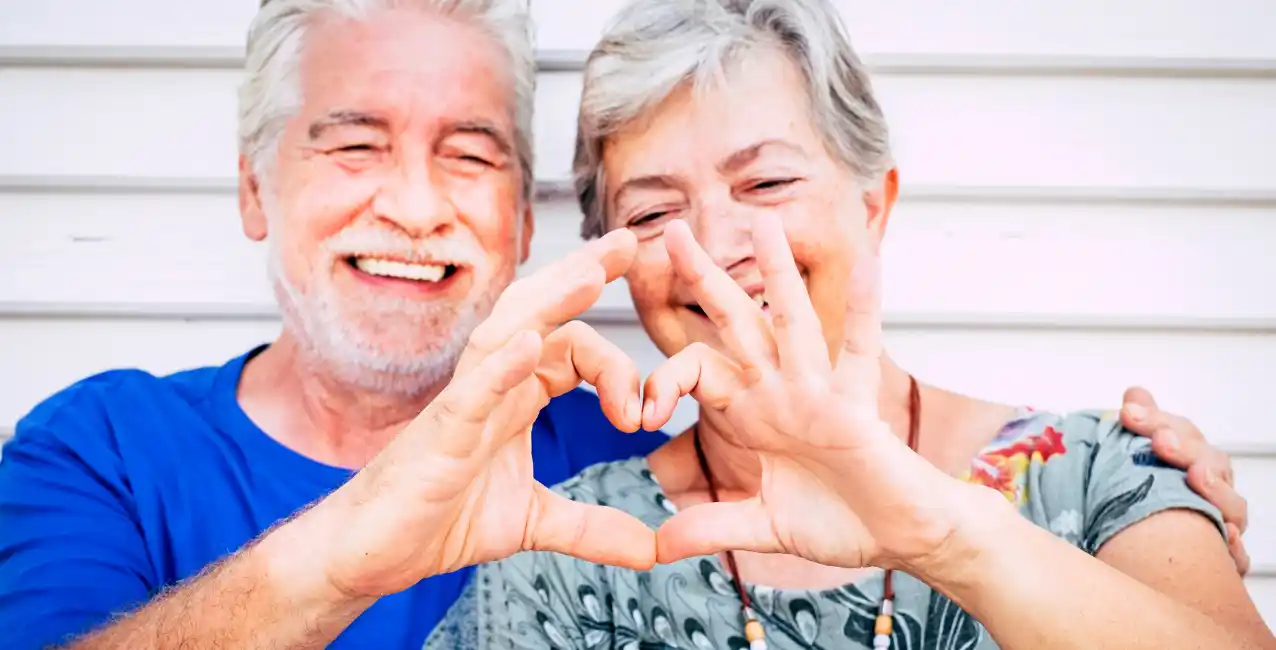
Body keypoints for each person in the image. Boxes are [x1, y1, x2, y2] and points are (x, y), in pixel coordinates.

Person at [0, 0, 1251, 649]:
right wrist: (345, 552)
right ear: (251, 187)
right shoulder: (101, 451)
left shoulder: (624, 442)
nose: (714, 249)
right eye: (354, 144)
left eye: (469, 152)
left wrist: (965, 514)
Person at [418, 0, 1276, 648]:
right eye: (652, 214)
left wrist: (945, 538)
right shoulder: (570, 548)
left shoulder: (1099, 473)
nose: (711, 248)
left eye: (766, 185)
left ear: (874, 205)